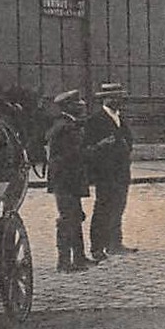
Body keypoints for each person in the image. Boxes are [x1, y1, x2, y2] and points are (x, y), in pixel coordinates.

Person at [82, 82, 136, 259]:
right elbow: (88, 148)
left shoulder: (120, 118)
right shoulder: (95, 120)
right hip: (105, 174)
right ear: (105, 99)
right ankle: (97, 248)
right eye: (115, 97)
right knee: (103, 209)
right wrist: (103, 148)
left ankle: (114, 244)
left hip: (121, 172)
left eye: (120, 97)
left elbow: (129, 140)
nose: (119, 101)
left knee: (118, 208)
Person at [45, 89, 92, 273]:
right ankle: (64, 262)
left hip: (68, 179)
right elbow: (72, 155)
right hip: (65, 179)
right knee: (68, 219)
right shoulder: (66, 127)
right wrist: (97, 150)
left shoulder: (66, 124)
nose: (82, 105)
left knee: (75, 216)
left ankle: (79, 258)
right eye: (77, 102)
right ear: (69, 106)